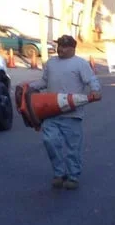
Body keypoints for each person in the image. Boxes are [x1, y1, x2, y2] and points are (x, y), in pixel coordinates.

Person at [29, 35, 101, 190]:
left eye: (64, 46)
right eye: (59, 45)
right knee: (50, 141)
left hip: (72, 113)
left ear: (73, 48)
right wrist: (31, 86)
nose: (60, 48)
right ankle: (59, 173)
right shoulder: (51, 63)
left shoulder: (80, 64)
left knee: (72, 147)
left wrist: (95, 90)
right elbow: (44, 82)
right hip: (51, 111)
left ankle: (73, 176)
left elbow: (91, 80)